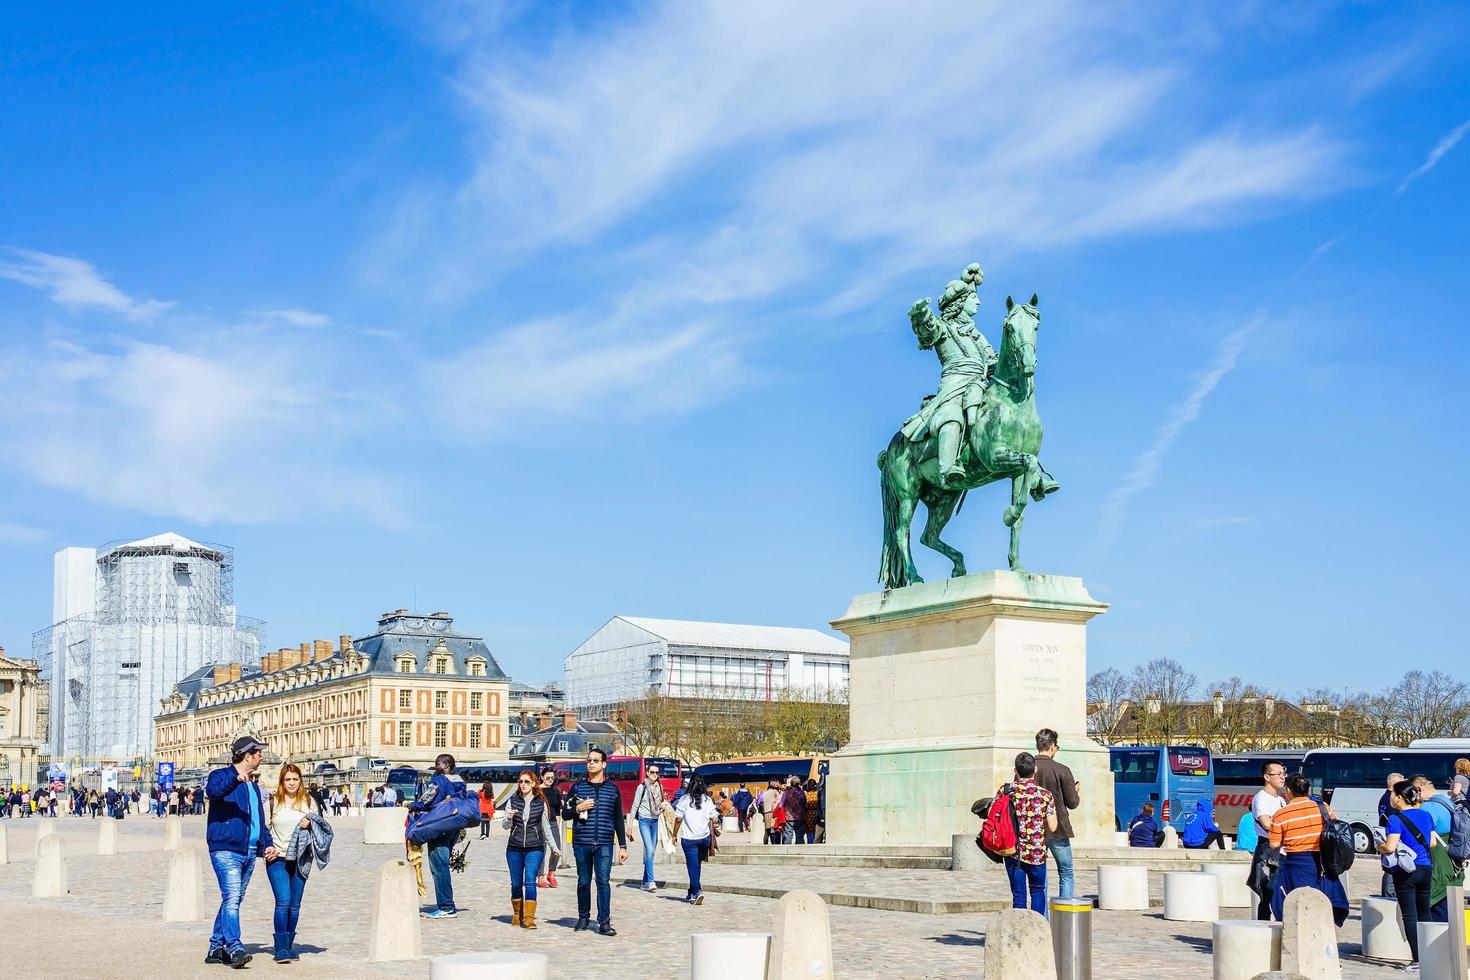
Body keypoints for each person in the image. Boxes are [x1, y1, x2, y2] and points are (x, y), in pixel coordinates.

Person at [204, 736, 278, 968]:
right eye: (258, 753)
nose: (262, 757)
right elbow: (213, 792)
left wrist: (267, 843)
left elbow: (259, 820)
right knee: (233, 898)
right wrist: (235, 780)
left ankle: (216, 946)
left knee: (232, 898)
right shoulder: (221, 776)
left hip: (248, 850)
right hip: (226, 848)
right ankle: (234, 947)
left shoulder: (254, 787)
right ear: (247, 756)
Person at [266, 763, 333, 963]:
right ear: (282, 781)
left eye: (295, 779)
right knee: (283, 900)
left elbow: (322, 829)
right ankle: (280, 947)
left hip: (301, 857)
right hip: (277, 857)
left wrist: (311, 824)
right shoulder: (272, 802)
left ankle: (288, 945)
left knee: (295, 905)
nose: (292, 783)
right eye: (288, 779)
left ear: (300, 781)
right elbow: (263, 829)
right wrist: (267, 847)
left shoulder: (308, 801)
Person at [1268, 773, 1348, 925]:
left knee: (1295, 905)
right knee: (1323, 902)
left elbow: (1274, 844)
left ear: (1289, 791)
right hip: (1324, 864)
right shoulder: (1325, 808)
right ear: (1308, 789)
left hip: (1295, 864)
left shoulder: (1281, 814)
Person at [563, 747, 628, 935]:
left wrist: (622, 845)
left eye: (595, 760)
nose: (591, 763)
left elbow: (618, 819)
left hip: (605, 843)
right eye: (589, 760)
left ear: (604, 764)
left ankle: (604, 922)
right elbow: (565, 814)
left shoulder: (612, 789)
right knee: (583, 881)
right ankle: (583, 917)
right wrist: (579, 808)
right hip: (582, 841)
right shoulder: (577, 788)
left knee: (603, 882)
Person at [1378, 778, 1437, 969]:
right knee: (1425, 914)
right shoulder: (1426, 815)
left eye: (1394, 795)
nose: (1392, 797)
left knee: (1410, 916)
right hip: (1425, 868)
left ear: (1400, 798)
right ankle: (1430, 956)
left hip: (1405, 871)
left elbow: (1390, 846)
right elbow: (1432, 843)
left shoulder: (1395, 819)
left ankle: (1417, 959)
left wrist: (1381, 846)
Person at [409, 754, 469, 919]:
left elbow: (427, 799)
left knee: (439, 866)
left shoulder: (440, 780)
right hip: (454, 825)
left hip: (439, 824)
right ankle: (447, 904)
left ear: (447, 765)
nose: (435, 766)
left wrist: (413, 805)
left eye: (438, 764)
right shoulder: (460, 781)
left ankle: (446, 906)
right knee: (442, 864)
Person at [1001, 752, 1057, 917]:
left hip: (1014, 852)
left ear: (1015, 771)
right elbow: (1053, 826)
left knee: (1018, 895)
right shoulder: (1045, 795)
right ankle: (1037, 931)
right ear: (1035, 769)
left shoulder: (1006, 791)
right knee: (1038, 891)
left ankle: (1019, 932)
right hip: (1037, 852)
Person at [502, 769, 557, 929]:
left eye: (526, 781)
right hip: (514, 847)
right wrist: (509, 818)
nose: (523, 784)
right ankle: (517, 914)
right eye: (520, 781)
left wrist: (554, 847)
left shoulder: (541, 803)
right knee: (516, 883)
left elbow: (546, 828)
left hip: (535, 847)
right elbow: (505, 826)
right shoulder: (513, 801)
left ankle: (528, 918)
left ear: (533, 784)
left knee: (530, 881)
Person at [1410, 774, 1465, 925]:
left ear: (1418, 790)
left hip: (1439, 869)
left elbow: (1427, 837)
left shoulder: (1428, 807)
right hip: (1454, 866)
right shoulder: (1447, 802)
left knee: (1436, 920)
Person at [1033, 728, 1080, 900]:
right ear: (1052, 746)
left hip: (1033, 828)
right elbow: (1072, 803)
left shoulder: (1027, 768)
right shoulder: (1062, 769)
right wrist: (1076, 791)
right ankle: (1065, 914)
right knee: (1066, 872)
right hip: (1058, 827)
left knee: (1039, 875)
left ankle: (1041, 916)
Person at [1248, 760, 1288, 920]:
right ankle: (1262, 932)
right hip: (1268, 852)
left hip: (1282, 850)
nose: (1282, 777)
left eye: (1283, 773)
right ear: (1267, 776)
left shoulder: (1281, 799)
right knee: (1268, 896)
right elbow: (1266, 824)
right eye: (1278, 774)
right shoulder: (1261, 798)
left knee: (1281, 895)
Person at [672, 774, 719, 905]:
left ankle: (697, 891)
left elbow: (678, 819)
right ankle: (691, 892)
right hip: (704, 838)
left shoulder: (684, 799)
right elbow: (715, 818)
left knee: (692, 866)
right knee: (697, 865)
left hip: (689, 839)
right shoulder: (707, 800)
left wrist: (674, 834)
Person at [629, 762, 668, 892]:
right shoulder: (642, 787)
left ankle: (644, 881)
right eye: (652, 772)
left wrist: (663, 805)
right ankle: (651, 881)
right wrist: (629, 827)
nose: (655, 775)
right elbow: (634, 806)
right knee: (650, 850)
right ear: (647, 773)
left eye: (657, 773)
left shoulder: (659, 787)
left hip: (655, 821)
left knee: (651, 852)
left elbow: (662, 802)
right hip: (644, 820)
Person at [1378, 771, 1405, 899]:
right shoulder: (1391, 799)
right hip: (1391, 838)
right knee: (1391, 868)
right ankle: (1388, 898)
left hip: (1386, 836)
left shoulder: (1384, 797)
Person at [539, 769, 565, 887]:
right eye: (548, 778)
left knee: (557, 849)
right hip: (539, 823)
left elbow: (558, 809)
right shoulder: (537, 790)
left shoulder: (556, 791)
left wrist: (558, 825)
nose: (550, 780)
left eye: (552, 778)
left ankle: (551, 872)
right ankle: (540, 877)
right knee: (541, 850)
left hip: (553, 822)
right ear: (542, 777)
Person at [780, 776, 807, 845]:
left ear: (791, 783)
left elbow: (780, 805)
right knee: (800, 836)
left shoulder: (786, 793)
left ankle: (787, 852)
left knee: (788, 835)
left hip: (789, 817)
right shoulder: (802, 793)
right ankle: (800, 852)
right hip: (800, 817)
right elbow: (805, 805)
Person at [758, 779, 782, 844]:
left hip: (766, 813)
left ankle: (765, 845)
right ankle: (774, 845)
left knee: (767, 831)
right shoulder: (775, 792)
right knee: (773, 830)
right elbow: (780, 801)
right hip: (773, 813)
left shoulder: (765, 793)